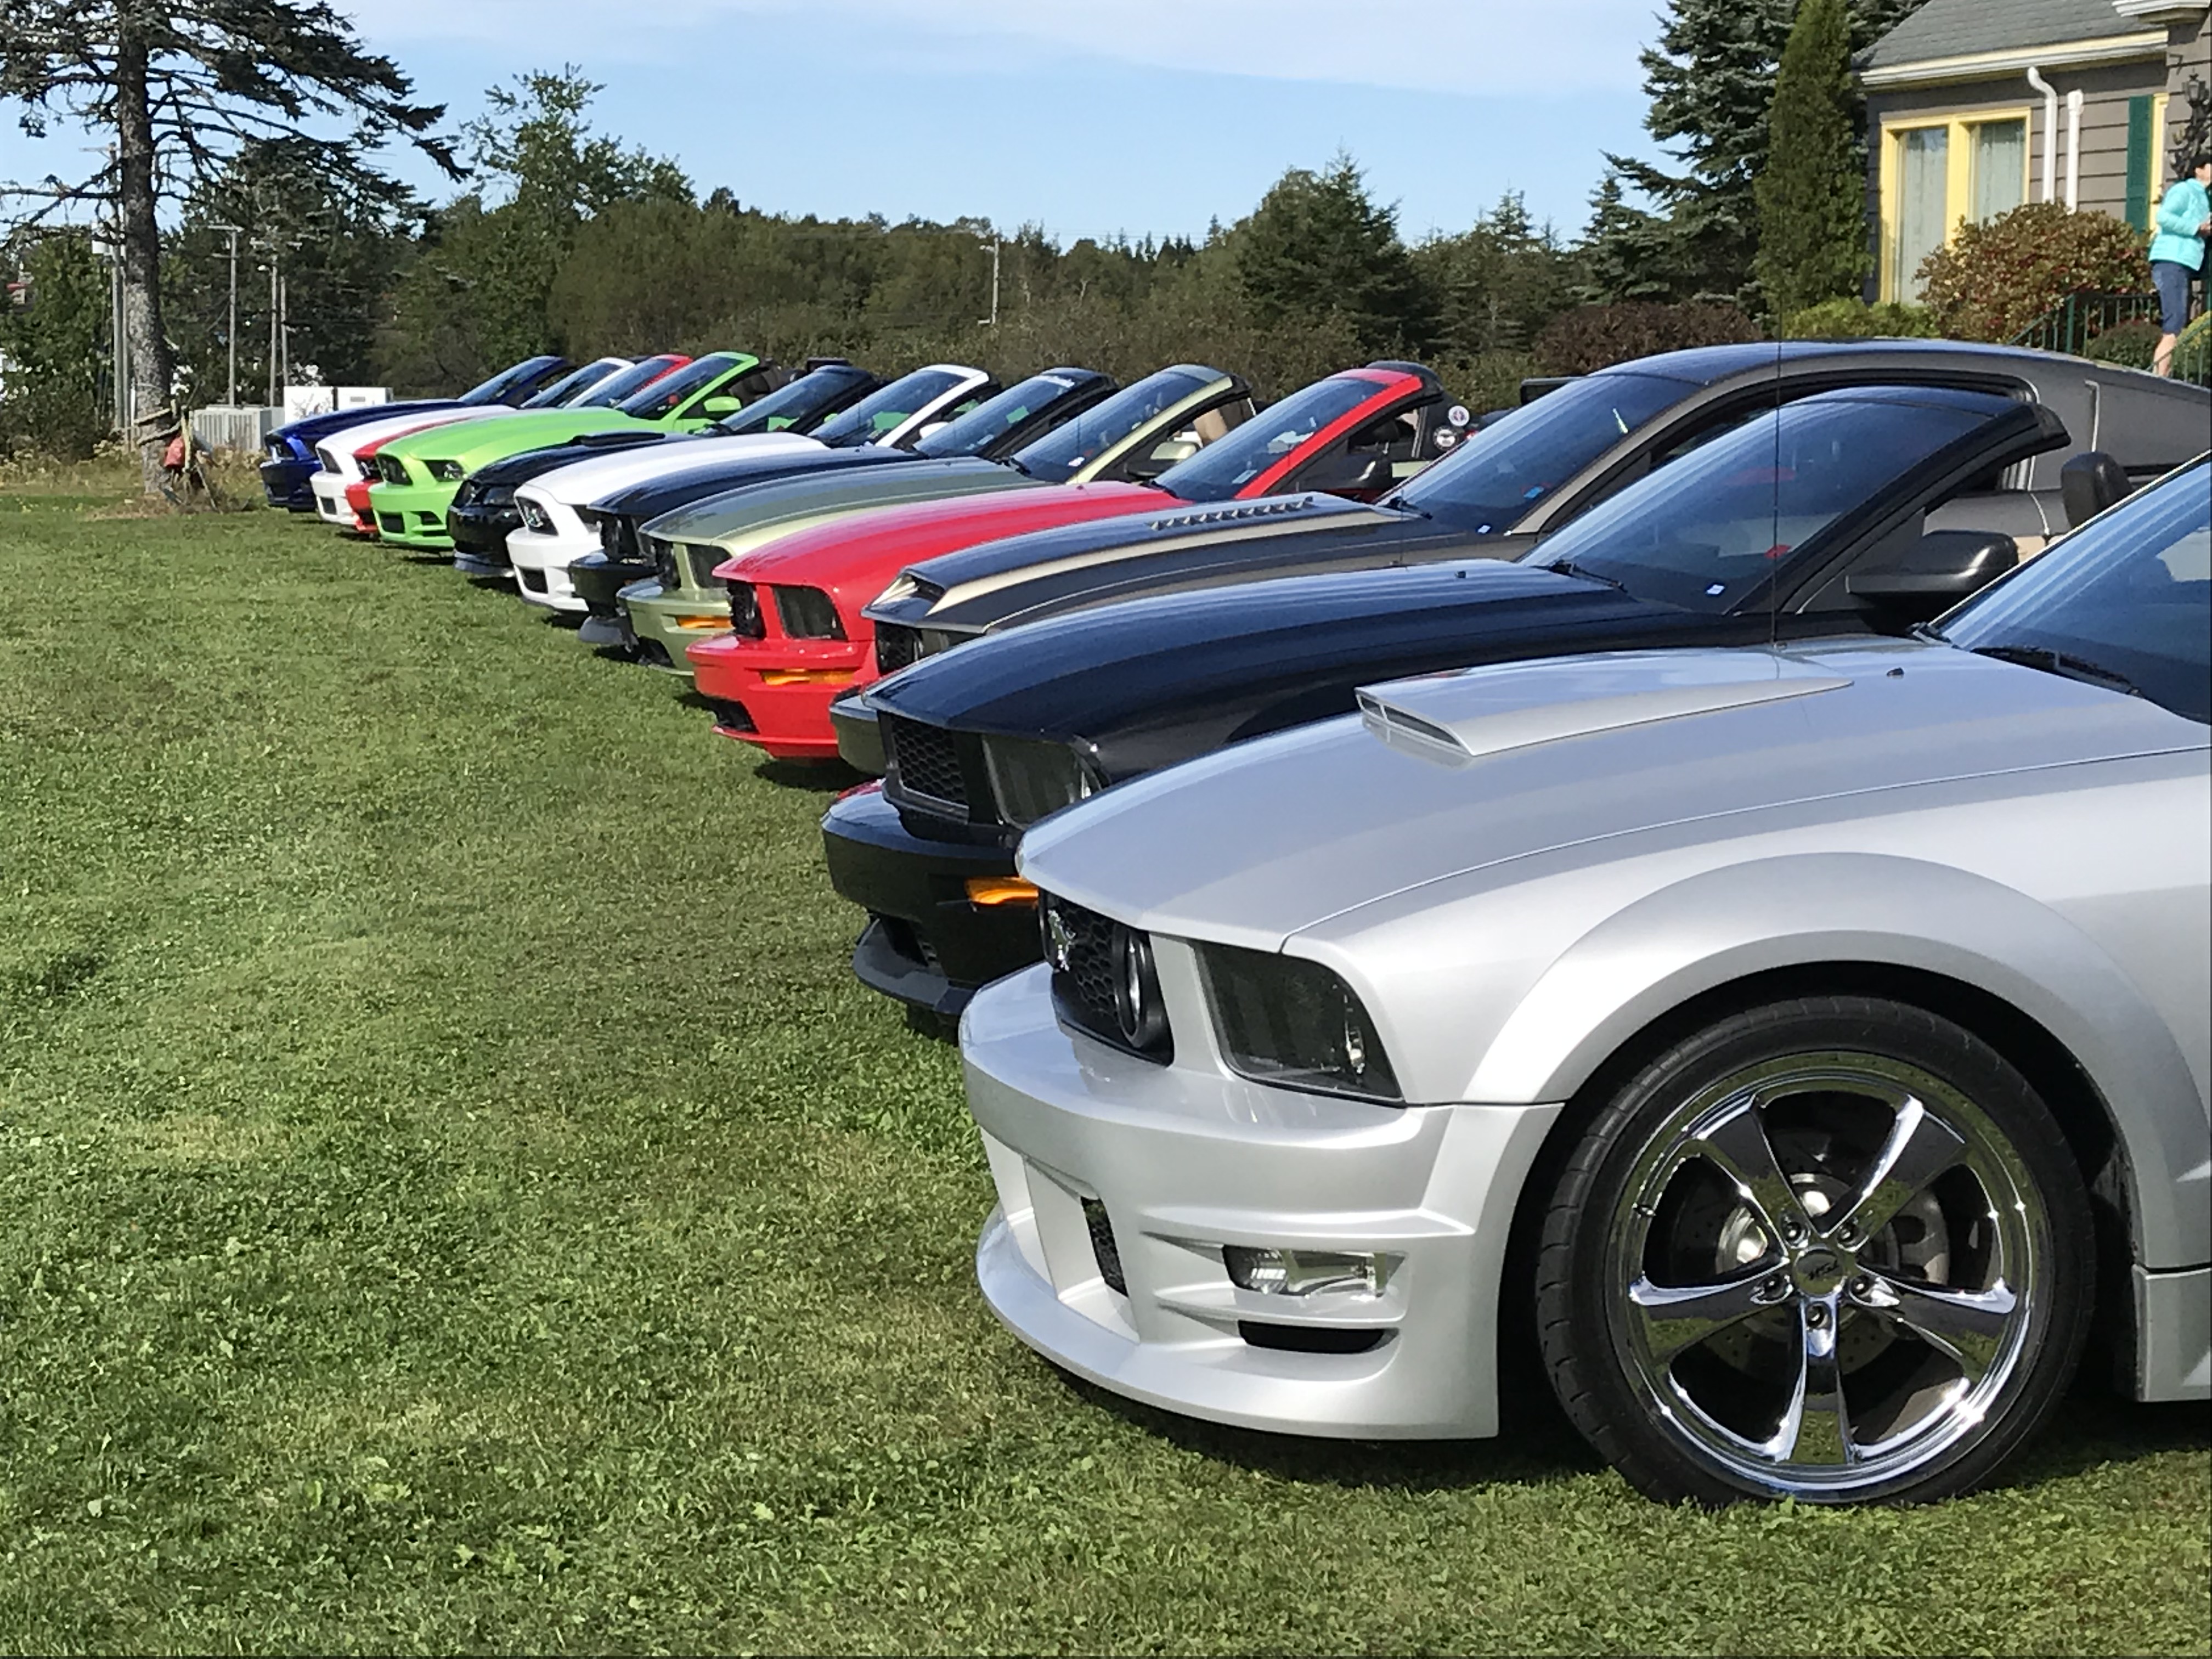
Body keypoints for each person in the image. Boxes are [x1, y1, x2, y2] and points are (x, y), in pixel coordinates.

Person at [2149, 151, 2212, 377]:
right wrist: (2196, 228)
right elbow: (2164, 217)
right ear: (2199, 170)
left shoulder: (2203, 197)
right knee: (2173, 326)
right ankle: (2158, 379)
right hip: (2171, 261)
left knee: (2176, 324)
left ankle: (2161, 376)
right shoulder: (2184, 190)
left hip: (2183, 264)